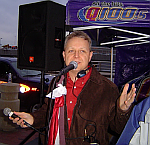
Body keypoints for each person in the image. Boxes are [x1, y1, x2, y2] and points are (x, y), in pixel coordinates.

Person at [9, 31, 136, 145]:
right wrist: (33, 119)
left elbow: (118, 129)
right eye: (71, 51)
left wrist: (123, 110)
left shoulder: (107, 88)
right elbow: (47, 112)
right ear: (64, 56)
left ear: (90, 56)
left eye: (82, 51)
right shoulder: (56, 81)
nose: (76, 56)